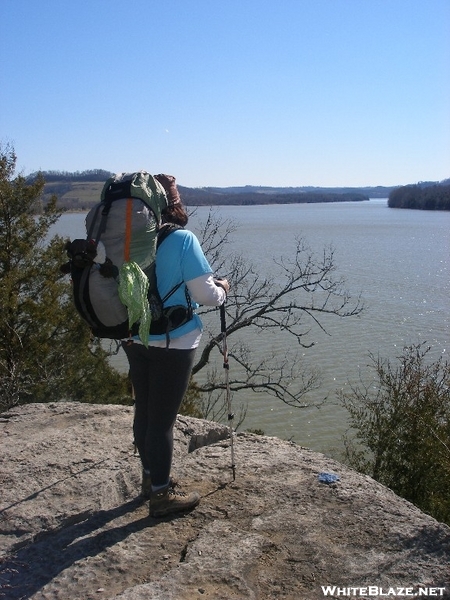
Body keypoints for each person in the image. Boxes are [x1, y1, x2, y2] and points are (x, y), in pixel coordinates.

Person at [121, 174, 229, 518]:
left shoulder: (127, 239)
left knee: (145, 411)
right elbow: (205, 295)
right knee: (163, 421)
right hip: (174, 341)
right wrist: (223, 288)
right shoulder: (182, 239)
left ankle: (149, 479)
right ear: (172, 205)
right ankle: (161, 496)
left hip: (133, 336)